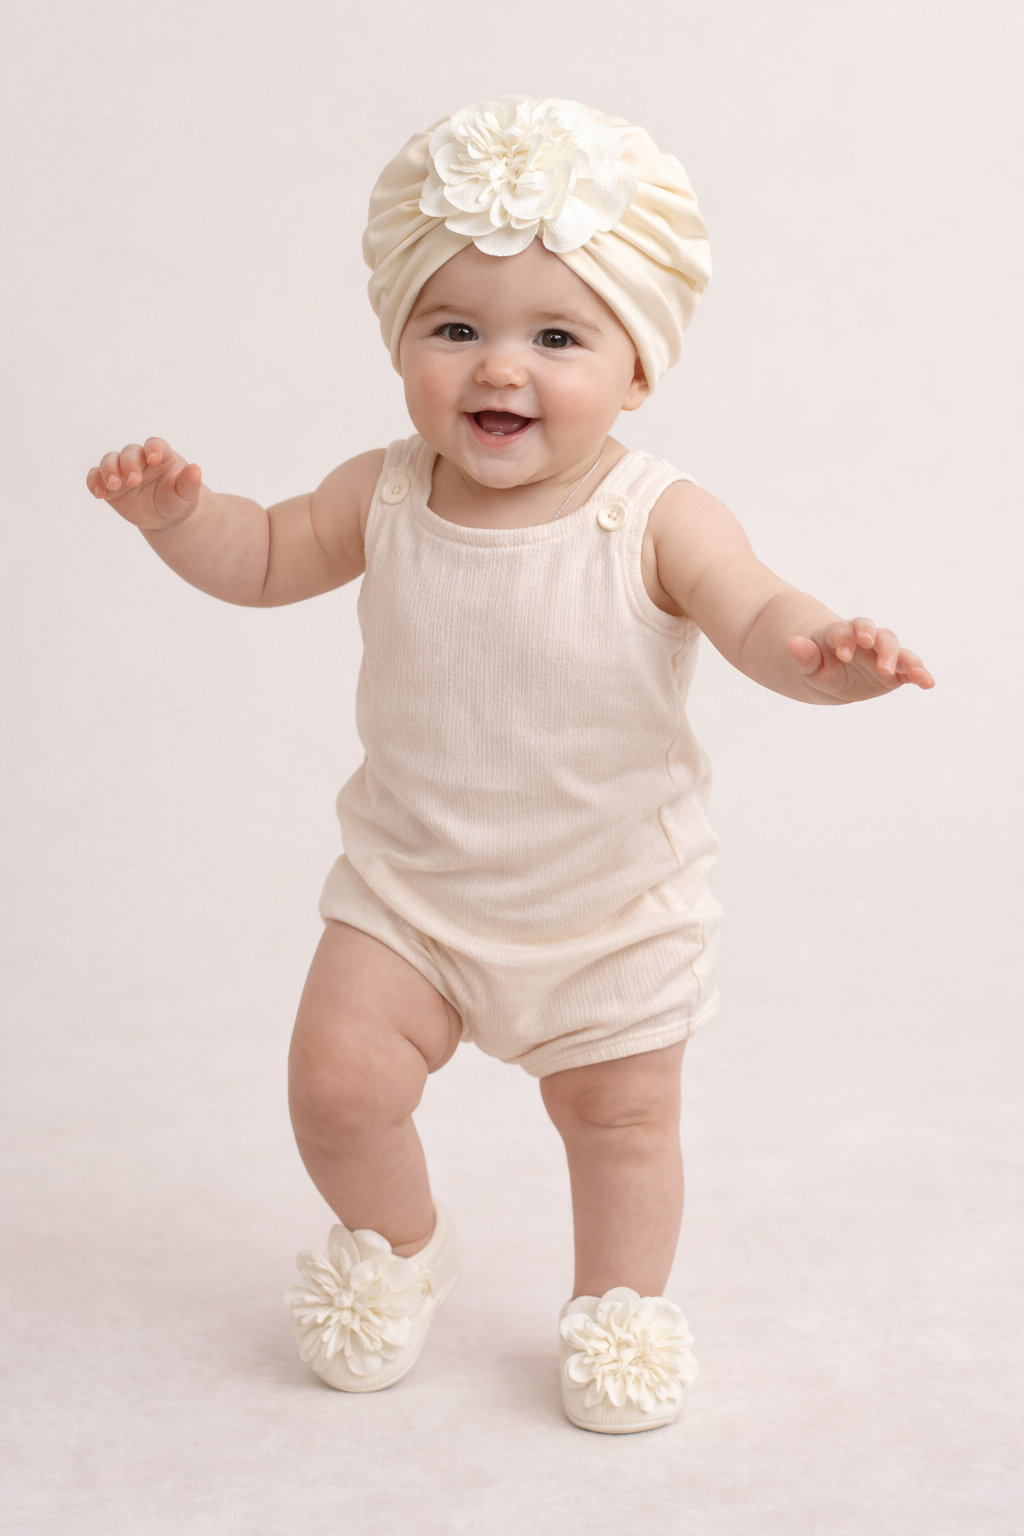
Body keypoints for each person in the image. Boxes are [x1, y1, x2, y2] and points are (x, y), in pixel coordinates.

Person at [86, 95, 933, 1434]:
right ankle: (402, 1246)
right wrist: (183, 521)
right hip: (413, 898)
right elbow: (264, 558)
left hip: (608, 915)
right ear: (400, 342)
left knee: (621, 1129)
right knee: (336, 1086)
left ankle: (618, 1308)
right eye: (455, 330)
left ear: (638, 368)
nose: (498, 369)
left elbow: (756, 610)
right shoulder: (381, 492)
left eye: (556, 336)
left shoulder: (655, 516)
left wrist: (823, 653)